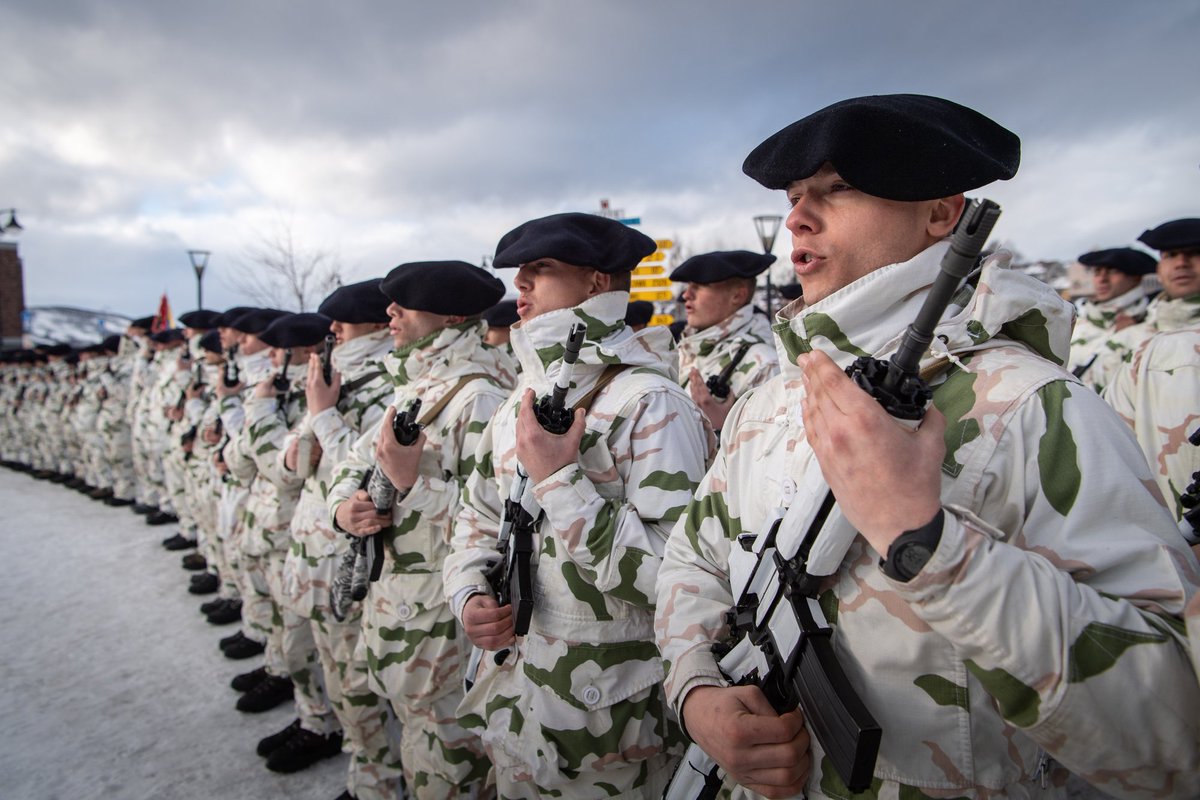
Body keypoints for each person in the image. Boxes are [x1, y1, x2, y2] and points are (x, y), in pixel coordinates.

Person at [654, 94, 1200, 799]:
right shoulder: (772, 399)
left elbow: (1176, 722)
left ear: (942, 214)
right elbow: (693, 557)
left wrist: (927, 542)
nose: (797, 218)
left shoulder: (1031, 406)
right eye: (793, 198)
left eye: (837, 189)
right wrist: (698, 691)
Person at [443, 213, 714, 798]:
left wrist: (560, 481)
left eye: (540, 268)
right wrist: (468, 591)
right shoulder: (521, 399)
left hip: (609, 729)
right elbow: (477, 517)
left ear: (596, 282)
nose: (520, 284)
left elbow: (678, 576)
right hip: (519, 704)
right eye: (520, 271)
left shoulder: (651, 404)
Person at [328, 261, 515, 798]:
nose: (390, 311)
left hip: (441, 619)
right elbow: (353, 463)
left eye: (405, 302)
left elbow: (496, 521)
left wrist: (412, 484)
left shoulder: (478, 398)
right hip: (401, 608)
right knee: (420, 744)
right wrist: (346, 508)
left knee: (450, 764)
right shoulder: (415, 384)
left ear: (451, 316)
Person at [267, 280, 397, 793]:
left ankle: (378, 781)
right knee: (338, 674)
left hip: (350, 559)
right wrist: (315, 420)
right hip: (317, 549)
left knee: (357, 681)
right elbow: (300, 464)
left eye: (344, 323)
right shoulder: (336, 377)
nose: (335, 331)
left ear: (376, 324)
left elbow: (368, 474)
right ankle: (360, 762)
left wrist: (323, 416)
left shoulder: (387, 385)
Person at [1104, 218, 1200, 527]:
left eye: (1194, 253)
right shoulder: (1131, 341)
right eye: (1170, 255)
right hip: (1156, 529)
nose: (1181, 263)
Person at [672, 250, 780, 431]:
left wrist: (720, 429)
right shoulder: (689, 350)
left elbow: (771, 445)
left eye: (700, 286)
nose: (686, 295)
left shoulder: (764, 365)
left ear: (737, 296)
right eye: (689, 285)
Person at [1067, 247, 1157, 392]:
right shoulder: (1073, 325)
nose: (1102, 279)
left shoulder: (1157, 322)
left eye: (1113, 272)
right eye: (1097, 272)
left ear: (1135, 278)